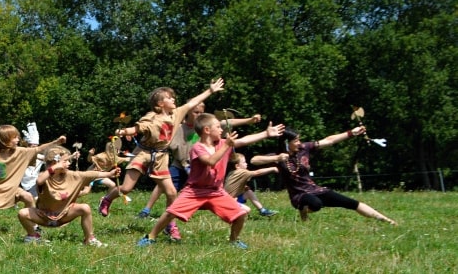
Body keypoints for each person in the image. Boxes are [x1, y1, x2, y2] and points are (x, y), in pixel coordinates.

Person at [137, 113, 283, 249]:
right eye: (218, 127)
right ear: (207, 130)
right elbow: (210, 161)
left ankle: (234, 240)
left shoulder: (222, 143)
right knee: (171, 212)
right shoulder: (197, 147)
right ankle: (150, 237)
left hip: (216, 192)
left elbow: (244, 140)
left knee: (240, 214)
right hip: (195, 191)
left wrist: (266, 134)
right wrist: (227, 145)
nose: (221, 130)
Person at [98, 78, 225, 221]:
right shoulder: (151, 117)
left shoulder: (177, 113)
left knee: (171, 193)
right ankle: (107, 199)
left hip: (160, 156)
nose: (173, 99)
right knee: (126, 188)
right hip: (143, 153)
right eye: (169, 98)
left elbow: (192, 103)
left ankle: (170, 225)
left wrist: (210, 90)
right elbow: (138, 128)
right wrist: (124, 131)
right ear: (160, 103)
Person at [253, 126, 397, 225]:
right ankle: (304, 211)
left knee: (352, 203)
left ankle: (388, 221)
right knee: (316, 204)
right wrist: (276, 159)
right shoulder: (278, 156)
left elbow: (329, 140)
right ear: (286, 143)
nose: (299, 143)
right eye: (295, 140)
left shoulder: (305, 148)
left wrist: (351, 133)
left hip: (315, 189)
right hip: (298, 195)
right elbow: (254, 160)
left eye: (299, 139)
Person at [0, 126, 66, 233]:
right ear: (5, 139)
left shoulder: (21, 152)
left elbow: (40, 149)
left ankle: (34, 226)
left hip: (12, 190)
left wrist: (56, 142)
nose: (18, 140)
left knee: (28, 197)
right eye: (15, 137)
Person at [17, 147, 116, 246]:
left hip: (64, 216)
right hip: (43, 217)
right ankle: (33, 236)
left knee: (85, 208)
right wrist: (55, 167)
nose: (69, 164)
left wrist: (109, 173)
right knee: (22, 213)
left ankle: (89, 239)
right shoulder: (44, 177)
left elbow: (90, 174)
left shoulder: (73, 175)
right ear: (54, 163)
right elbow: (39, 181)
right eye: (65, 161)